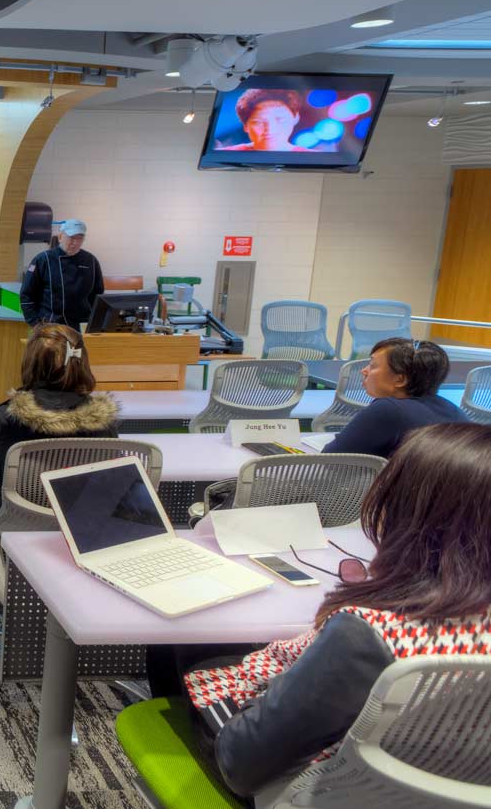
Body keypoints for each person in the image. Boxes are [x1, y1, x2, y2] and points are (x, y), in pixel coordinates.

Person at [182, 423, 491, 802]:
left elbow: (240, 764)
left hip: (330, 793)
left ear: (407, 513)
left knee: (192, 660)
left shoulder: (369, 632)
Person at [0, 324, 119, 574]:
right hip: (80, 540)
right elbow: (109, 475)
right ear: (81, 363)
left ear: (30, 363)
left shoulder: (6, 418)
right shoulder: (104, 421)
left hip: (10, 542)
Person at [325, 337, 465, 458]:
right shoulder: (455, 410)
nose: (364, 370)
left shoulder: (387, 409)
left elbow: (330, 458)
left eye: (372, 365)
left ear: (400, 380)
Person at [19, 218, 105, 328]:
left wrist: (96, 323)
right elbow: (26, 295)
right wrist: (35, 324)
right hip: (50, 325)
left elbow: (97, 295)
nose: (75, 243)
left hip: (82, 325)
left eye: (80, 238)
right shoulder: (43, 259)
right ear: (60, 237)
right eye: (72, 238)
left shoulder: (91, 261)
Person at [218, 88, 315, 152]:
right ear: (245, 126)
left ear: (295, 118)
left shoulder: (313, 158)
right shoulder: (225, 154)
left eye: (280, 119)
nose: (270, 129)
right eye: (259, 122)